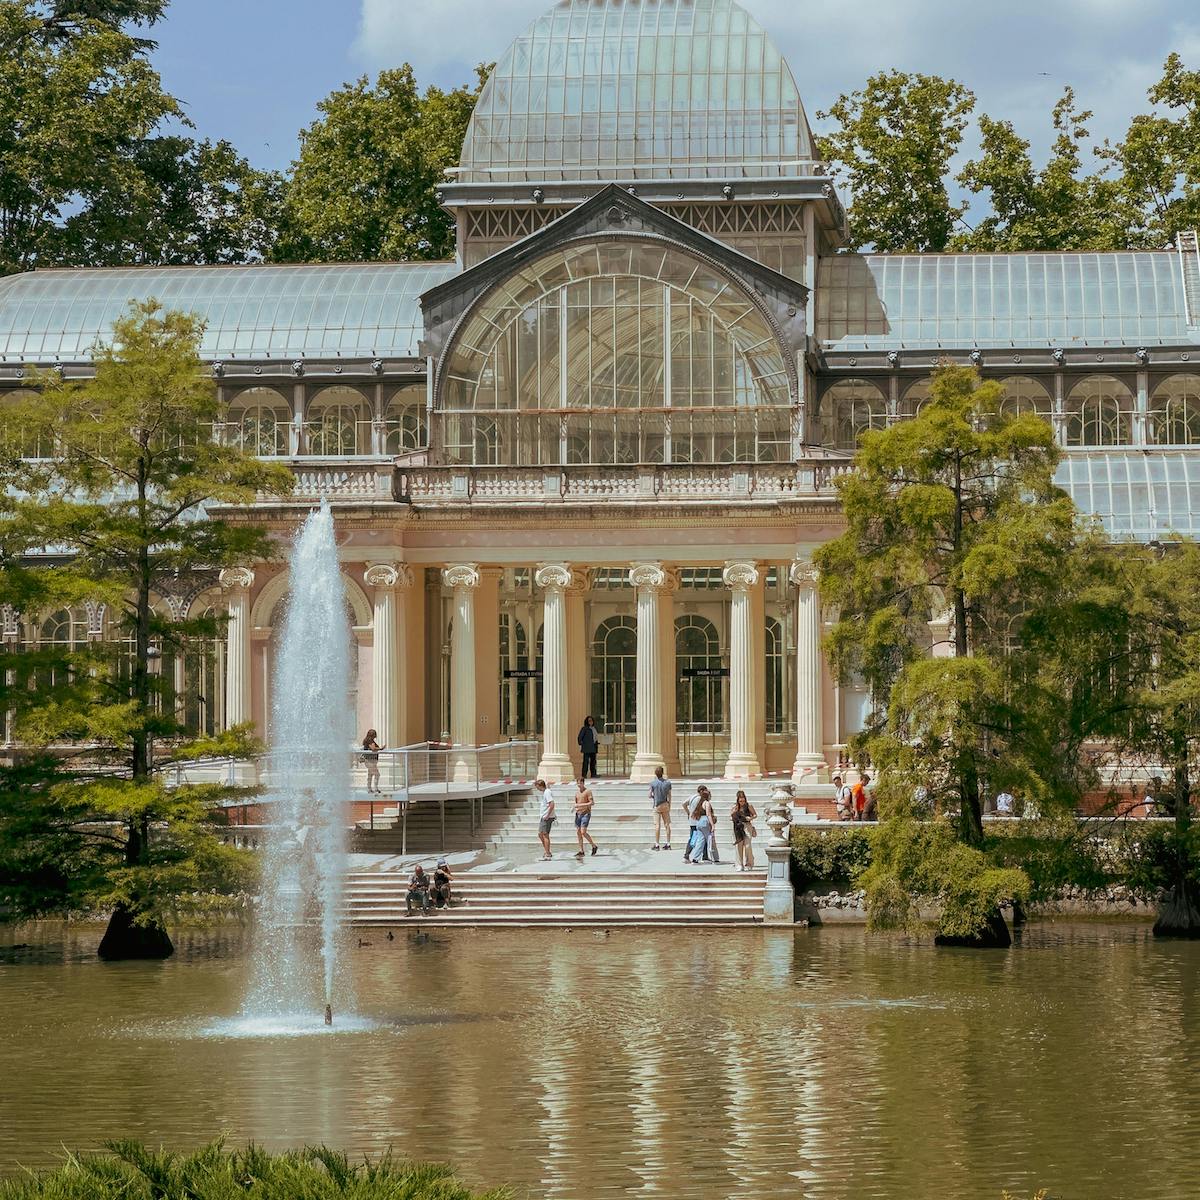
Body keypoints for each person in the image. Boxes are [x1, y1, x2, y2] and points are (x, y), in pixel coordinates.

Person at [690, 786, 718, 864]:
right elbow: (708, 814)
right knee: (711, 840)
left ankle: (695, 858)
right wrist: (712, 825)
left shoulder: (700, 803)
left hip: (699, 822)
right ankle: (715, 858)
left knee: (700, 841)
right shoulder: (707, 803)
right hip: (705, 821)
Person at [730, 790, 758, 871]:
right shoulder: (735, 807)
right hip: (738, 827)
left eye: (743, 800)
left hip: (747, 826)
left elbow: (755, 815)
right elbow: (731, 816)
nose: (742, 802)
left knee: (747, 845)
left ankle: (749, 863)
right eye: (740, 800)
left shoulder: (749, 806)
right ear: (737, 800)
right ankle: (739, 864)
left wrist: (751, 818)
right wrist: (733, 814)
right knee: (739, 846)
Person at [573, 775, 598, 859]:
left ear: (583, 783)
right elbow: (576, 803)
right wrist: (575, 808)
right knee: (578, 832)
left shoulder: (588, 791)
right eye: (578, 783)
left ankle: (593, 845)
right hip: (578, 814)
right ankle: (581, 850)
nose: (579, 785)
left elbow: (592, 803)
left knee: (583, 832)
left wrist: (581, 805)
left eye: (580, 783)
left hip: (586, 813)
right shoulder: (576, 793)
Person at [649, 766, 672, 850]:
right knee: (667, 824)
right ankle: (668, 843)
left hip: (657, 805)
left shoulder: (653, 783)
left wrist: (653, 796)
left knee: (657, 825)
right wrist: (670, 805)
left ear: (655, 773)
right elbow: (669, 795)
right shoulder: (668, 783)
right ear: (662, 773)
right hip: (665, 804)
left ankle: (657, 844)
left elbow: (649, 795)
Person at [535, 779, 556, 861]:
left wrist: (547, 815)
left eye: (537, 787)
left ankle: (547, 853)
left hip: (546, 817)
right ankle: (547, 851)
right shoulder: (546, 792)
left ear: (540, 786)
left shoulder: (547, 792)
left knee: (545, 834)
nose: (537, 789)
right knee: (540, 834)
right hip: (543, 816)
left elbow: (552, 804)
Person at [362, 728, 383, 794]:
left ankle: (369, 789)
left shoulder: (367, 740)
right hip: (370, 761)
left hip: (369, 760)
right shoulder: (370, 741)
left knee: (370, 775)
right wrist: (380, 748)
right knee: (377, 774)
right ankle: (375, 788)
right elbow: (373, 748)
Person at [577, 715, 599, 779]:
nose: (590, 722)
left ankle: (593, 774)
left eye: (591, 721)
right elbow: (579, 737)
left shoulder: (594, 728)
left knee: (593, 762)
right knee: (586, 762)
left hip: (593, 747)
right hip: (587, 748)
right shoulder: (584, 729)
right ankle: (584, 775)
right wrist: (581, 744)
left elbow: (595, 737)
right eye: (589, 721)